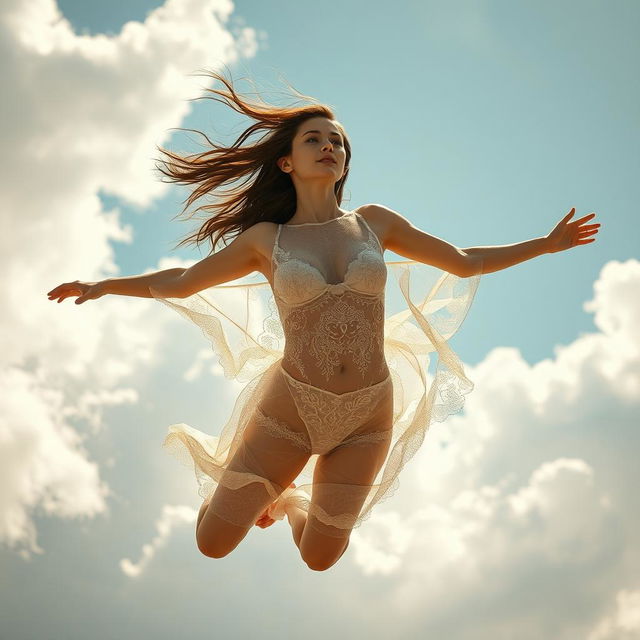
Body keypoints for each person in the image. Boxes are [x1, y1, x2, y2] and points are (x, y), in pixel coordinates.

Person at [46, 70, 600, 571]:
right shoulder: (268, 241)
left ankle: (289, 504)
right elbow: (183, 281)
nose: (329, 146)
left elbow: (463, 261)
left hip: (368, 411)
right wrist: (104, 285)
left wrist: (545, 245)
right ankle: (253, 494)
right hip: (292, 407)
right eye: (314, 138)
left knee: (320, 557)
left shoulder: (374, 223)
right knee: (213, 543)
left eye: (337, 141)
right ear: (286, 161)